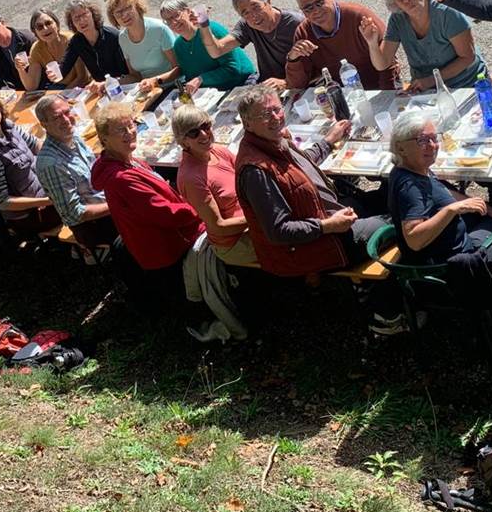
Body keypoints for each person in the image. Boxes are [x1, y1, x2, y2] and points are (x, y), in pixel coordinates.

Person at [90, 102, 244, 341]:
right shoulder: (120, 177)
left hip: (167, 237)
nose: (130, 132)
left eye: (131, 125)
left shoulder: (127, 160)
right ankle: (200, 326)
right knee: (185, 293)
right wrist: (200, 209)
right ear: (104, 139)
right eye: (120, 130)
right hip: (164, 247)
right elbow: (163, 213)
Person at [233, 86, 384, 276]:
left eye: (277, 109)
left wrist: (328, 141)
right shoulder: (255, 172)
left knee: (387, 196)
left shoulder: (272, 140)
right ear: (247, 124)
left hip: (329, 214)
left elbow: (299, 166)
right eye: (265, 114)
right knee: (396, 220)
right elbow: (279, 231)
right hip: (320, 247)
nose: (276, 117)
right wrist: (327, 225)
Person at [387, 109, 492, 264]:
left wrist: (489, 209)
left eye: (434, 138)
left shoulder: (414, 167)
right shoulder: (410, 186)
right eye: (422, 140)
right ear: (400, 148)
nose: (432, 145)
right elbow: (414, 240)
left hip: (452, 238)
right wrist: (451, 209)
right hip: (453, 260)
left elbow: (442, 191)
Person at [365, 0, 485, 91]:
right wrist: (372, 42)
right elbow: (382, 64)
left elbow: (468, 57)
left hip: (465, 83)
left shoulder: (447, 13)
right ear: (395, 3)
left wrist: (431, 80)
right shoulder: (398, 19)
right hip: (425, 88)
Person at [172, 105, 256, 267]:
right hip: (235, 240)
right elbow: (219, 226)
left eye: (205, 126)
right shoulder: (191, 178)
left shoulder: (216, 150)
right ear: (183, 141)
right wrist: (258, 219)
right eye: (194, 132)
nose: (204, 134)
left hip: (253, 217)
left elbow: (247, 175)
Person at [0, 89, 60, 232]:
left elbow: (35, 144)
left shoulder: (7, 126)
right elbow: (3, 202)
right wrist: (47, 201)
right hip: (31, 214)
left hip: (48, 191)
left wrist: (60, 155)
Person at [32, 94, 118, 250]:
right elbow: (75, 214)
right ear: (44, 124)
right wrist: (116, 205)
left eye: (67, 112)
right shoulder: (51, 164)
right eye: (57, 117)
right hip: (95, 225)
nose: (66, 120)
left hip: (107, 198)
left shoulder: (73, 136)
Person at [285, 0, 399, 90]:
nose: (315, 11)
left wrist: (386, 94)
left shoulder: (358, 17)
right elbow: (297, 86)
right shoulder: (304, 33)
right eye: (308, 8)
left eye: (319, 3)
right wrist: (294, 58)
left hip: (377, 86)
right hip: (344, 92)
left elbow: (387, 61)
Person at [197, 0, 302, 91]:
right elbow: (216, 51)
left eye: (256, 7)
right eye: (245, 13)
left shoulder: (296, 23)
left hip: (299, 84)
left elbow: (313, 67)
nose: (253, 16)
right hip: (268, 87)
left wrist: (286, 82)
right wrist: (203, 23)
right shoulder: (247, 25)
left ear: (268, 2)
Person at [160, 0, 255, 92]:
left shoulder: (212, 30)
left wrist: (201, 79)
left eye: (176, 15)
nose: (173, 22)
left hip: (241, 83)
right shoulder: (178, 45)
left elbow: (233, 69)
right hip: (210, 92)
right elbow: (189, 76)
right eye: (168, 20)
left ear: (188, 11)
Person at [108, 0, 179, 94]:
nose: (124, 15)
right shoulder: (122, 38)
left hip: (172, 87)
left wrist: (155, 81)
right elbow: (135, 76)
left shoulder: (159, 29)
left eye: (128, 8)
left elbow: (178, 68)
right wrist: (112, 83)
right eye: (118, 13)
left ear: (137, 6)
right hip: (148, 91)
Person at [61, 0, 129, 89]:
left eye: (84, 14)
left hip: (122, 86)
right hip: (100, 90)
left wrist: (105, 84)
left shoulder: (113, 36)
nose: (81, 21)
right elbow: (64, 68)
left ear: (93, 14)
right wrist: (53, 73)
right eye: (76, 18)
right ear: (72, 23)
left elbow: (126, 73)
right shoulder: (76, 42)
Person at [17, 8, 91, 90]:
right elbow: (31, 86)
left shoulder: (71, 40)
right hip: (59, 87)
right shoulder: (37, 49)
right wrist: (20, 69)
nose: (45, 29)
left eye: (48, 23)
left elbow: (83, 77)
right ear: (35, 32)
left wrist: (62, 94)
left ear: (57, 24)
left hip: (81, 86)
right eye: (39, 27)